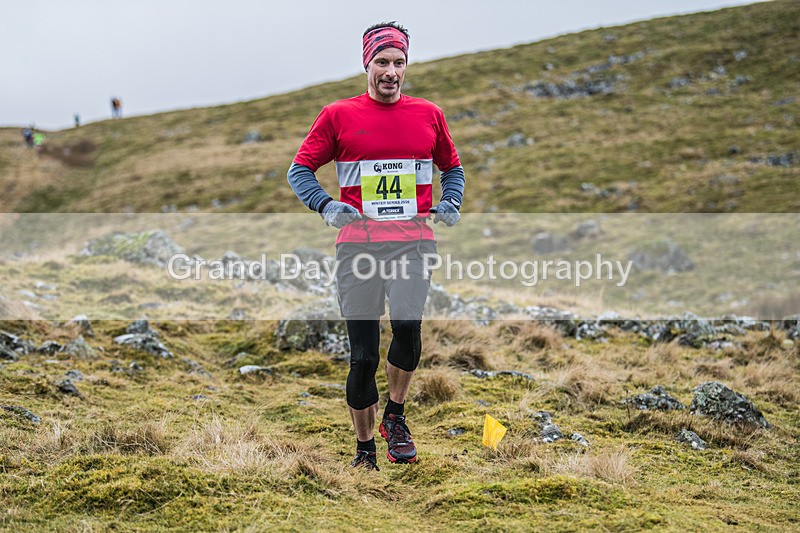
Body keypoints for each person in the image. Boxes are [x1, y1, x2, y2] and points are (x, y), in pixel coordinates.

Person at [288, 21, 465, 470]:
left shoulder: (428, 114)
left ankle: (396, 417)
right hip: (358, 249)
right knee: (363, 355)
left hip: (414, 244)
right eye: (382, 62)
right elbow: (300, 170)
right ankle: (364, 450)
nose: (390, 71)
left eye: (398, 62)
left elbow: (453, 168)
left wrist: (450, 201)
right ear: (366, 64)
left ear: (407, 66)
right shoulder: (338, 115)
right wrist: (326, 206)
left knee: (408, 329)